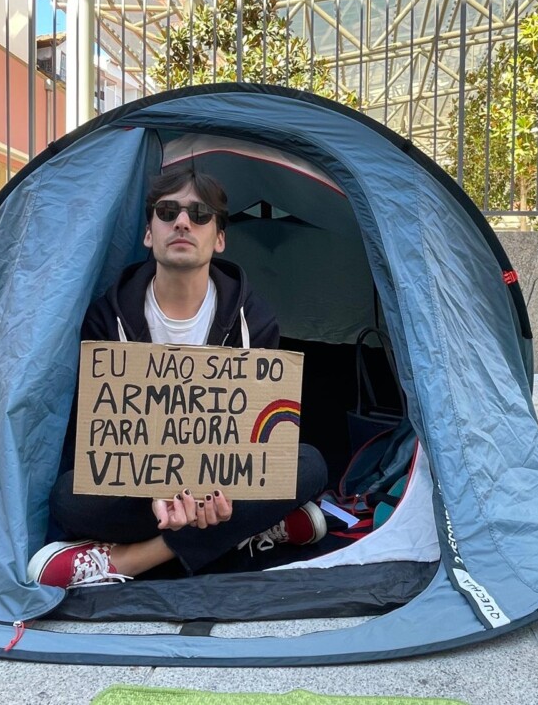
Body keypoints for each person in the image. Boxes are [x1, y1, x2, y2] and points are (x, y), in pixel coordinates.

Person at [27, 166, 329, 589]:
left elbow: (258, 438)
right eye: (168, 212)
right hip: (140, 488)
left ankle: (130, 559)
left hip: (225, 480)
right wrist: (157, 490)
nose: (183, 222)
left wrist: (208, 492)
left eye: (200, 214)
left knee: (309, 465)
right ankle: (249, 530)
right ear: (149, 232)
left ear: (219, 237)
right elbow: (100, 435)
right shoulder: (104, 317)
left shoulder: (254, 320)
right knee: (68, 499)